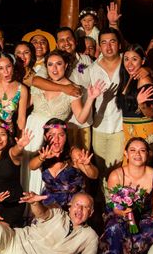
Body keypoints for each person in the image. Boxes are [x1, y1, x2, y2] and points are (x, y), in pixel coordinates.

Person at [22, 51, 102, 195]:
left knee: (46, 170)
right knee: (29, 170)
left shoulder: (73, 88)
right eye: (50, 64)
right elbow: (27, 102)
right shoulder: (41, 82)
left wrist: (90, 99)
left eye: (59, 64)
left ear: (66, 66)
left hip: (54, 134)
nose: (54, 68)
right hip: (32, 131)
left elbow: (81, 118)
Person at [96, 138, 153, 254]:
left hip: (145, 214)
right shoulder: (116, 175)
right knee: (115, 227)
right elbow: (115, 207)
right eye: (133, 150)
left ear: (148, 154)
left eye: (142, 150)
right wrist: (126, 212)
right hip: (118, 213)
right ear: (126, 154)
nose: (137, 154)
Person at [28, 119, 98, 209]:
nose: (56, 140)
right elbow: (31, 166)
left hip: (72, 205)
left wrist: (88, 166)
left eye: (61, 135)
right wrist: (41, 158)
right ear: (45, 137)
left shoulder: (73, 153)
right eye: (52, 135)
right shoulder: (44, 153)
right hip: (49, 202)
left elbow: (94, 175)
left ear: (66, 137)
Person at [89, 28, 124, 198]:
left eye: (112, 42)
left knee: (115, 171)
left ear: (119, 44)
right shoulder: (92, 68)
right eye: (104, 42)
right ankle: (103, 208)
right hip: (99, 127)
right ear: (99, 46)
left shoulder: (128, 63)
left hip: (120, 127)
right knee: (101, 171)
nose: (108, 46)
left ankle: (114, 209)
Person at [56, 27, 94, 149]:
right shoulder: (53, 63)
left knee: (83, 160)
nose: (66, 43)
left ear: (75, 41)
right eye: (62, 40)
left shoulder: (86, 60)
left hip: (84, 123)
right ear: (57, 44)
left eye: (69, 39)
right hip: (62, 123)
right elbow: (37, 81)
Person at [117, 44, 153, 146]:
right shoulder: (127, 79)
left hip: (143, 133)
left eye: (134, 59)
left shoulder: (144, 79)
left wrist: (142, 104)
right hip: (129, 132)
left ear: (143, 61)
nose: (129, 64)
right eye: (126, 59)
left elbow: (150, 113)